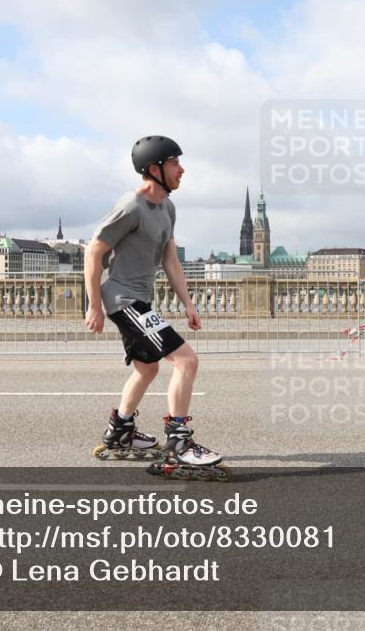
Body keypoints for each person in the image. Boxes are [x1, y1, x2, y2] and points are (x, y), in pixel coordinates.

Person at [85, 136, 227, 481]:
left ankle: (120, 430)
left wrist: (189, 303)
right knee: (186, 360)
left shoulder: (168, 208)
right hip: (123, 300)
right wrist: (94, 307)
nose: (182, 169)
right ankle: (179, 442)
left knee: (147, 370)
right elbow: (94, 252)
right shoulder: (131, 206)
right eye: (175, 162)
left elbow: (170, 258)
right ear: (154, 168)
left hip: (139, 300)